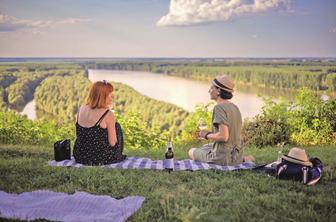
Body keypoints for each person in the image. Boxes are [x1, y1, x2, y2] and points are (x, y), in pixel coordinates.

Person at [188, 75, 244, 166]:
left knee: (191, 151)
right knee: (205, 147)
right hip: (237, 157)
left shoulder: (219, 107)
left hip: (222, 159)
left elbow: (224, 136)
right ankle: (242, 159)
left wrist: (206, 134)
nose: (209, 91)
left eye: (211, 88)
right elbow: (231, 133)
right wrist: (210, 134)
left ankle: (219, 159)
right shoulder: (235, 107)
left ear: (218, 91)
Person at [73, 80, 126, 165]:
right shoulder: (108, 114)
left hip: (80, 155)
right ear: (102, 96)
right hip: (100, 157)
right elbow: (113, 143)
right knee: (117, 126)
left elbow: (80, 134)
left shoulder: (81, 108)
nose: (111, 98)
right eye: (110, 95)